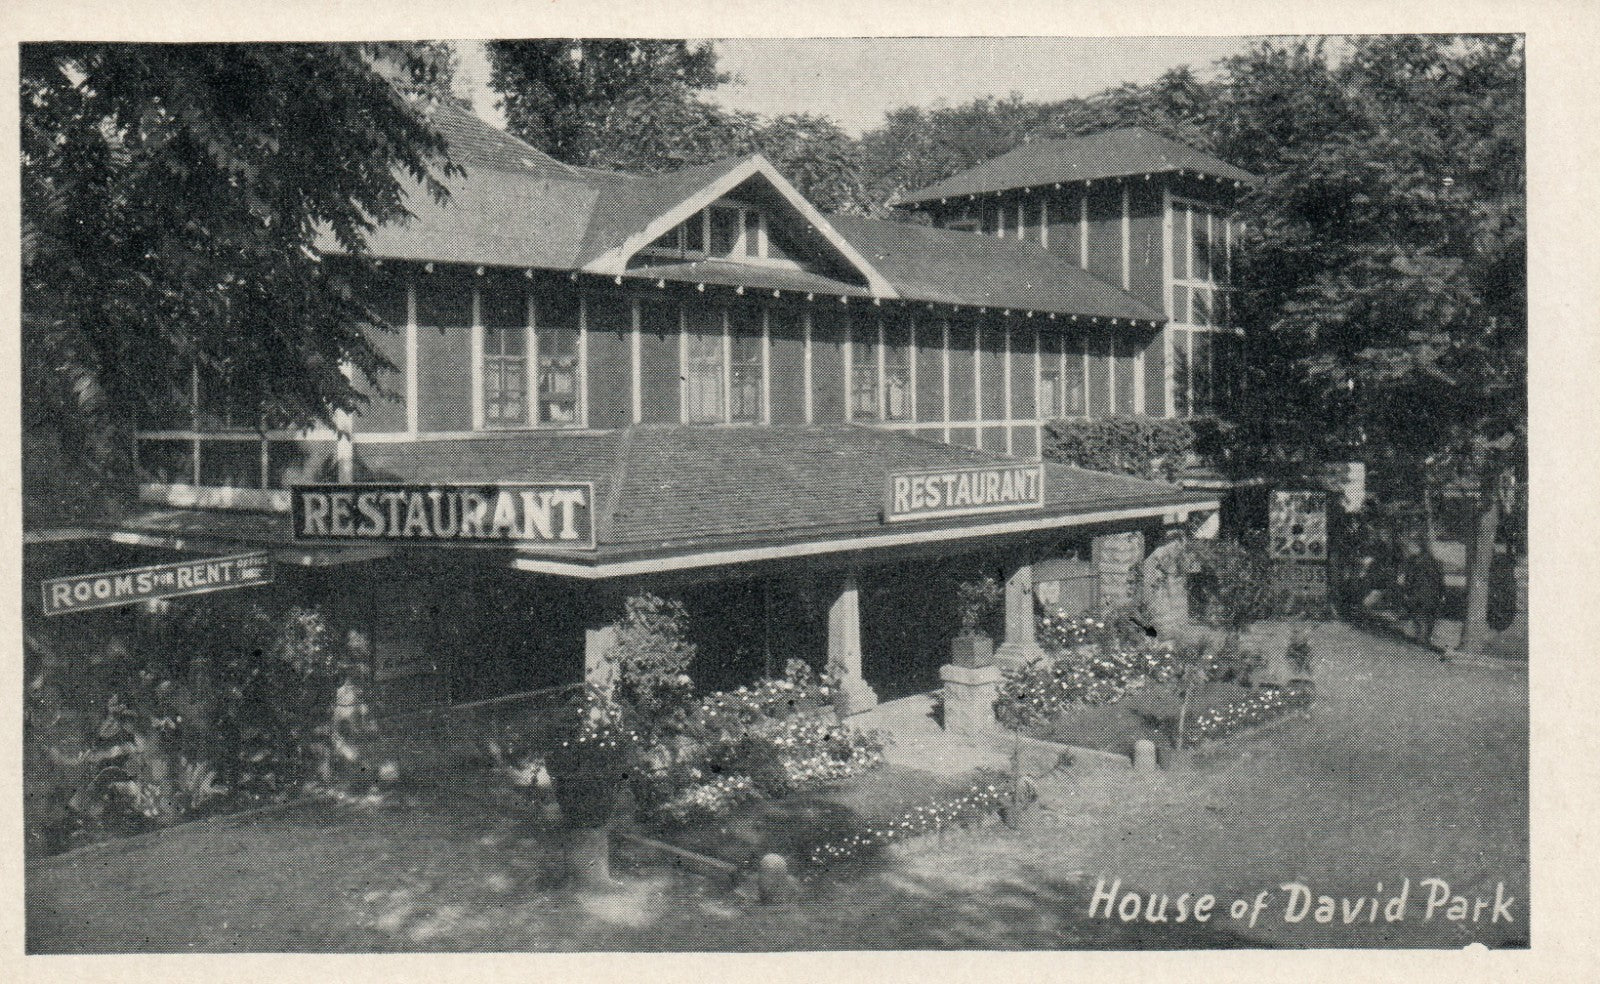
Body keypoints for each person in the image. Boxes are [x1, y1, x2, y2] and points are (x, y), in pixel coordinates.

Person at [1397, 537, 1446, 646]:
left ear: (1417, 547)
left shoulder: (1417, 561)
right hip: (1430, 593)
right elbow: (1440, 579)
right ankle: (1424, 638)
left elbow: (1411, 578)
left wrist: (1406, 590)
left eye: (1411, 547)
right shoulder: (1431, 561)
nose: (1409, 550)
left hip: (1421, 593)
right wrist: (1442, 593)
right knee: (1426, 617)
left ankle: (1421, 638)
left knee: (1419, 616)